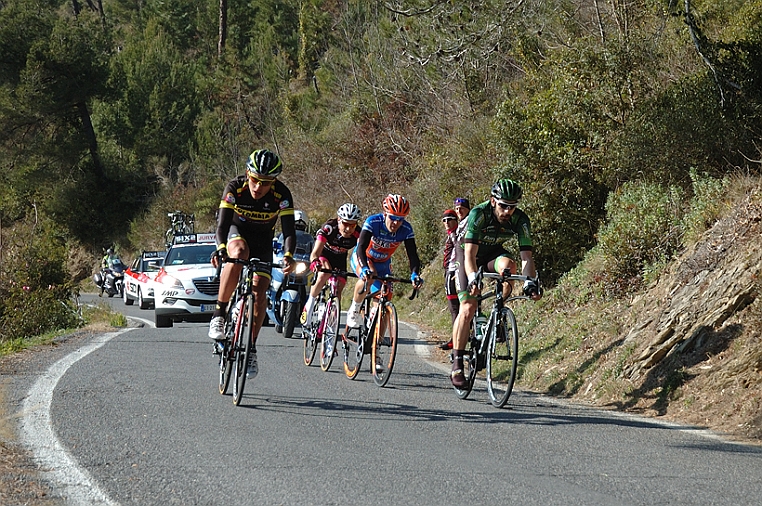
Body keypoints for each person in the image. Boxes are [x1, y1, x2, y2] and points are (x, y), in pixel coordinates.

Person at [208, 148, 297, 380]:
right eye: (255, 180)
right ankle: (219, 313)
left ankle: (251, 348)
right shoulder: (235, 187)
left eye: (266, 183)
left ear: (274, 181)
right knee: (239, 252)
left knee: (260, 292)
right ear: (247, 173)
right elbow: (222, 225)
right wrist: (220, 248)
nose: (259, 187)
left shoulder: (282, 194)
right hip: (237, 233)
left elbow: (289, 230)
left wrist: (288, 255)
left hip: (264, 242)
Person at [449, 179, 542, 388]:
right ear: (493, 201)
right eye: (503, 206)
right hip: (467, 254)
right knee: (468, 307)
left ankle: (497, 313)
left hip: (492, 254)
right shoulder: (479, 214)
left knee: (510, 267)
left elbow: (526, 256)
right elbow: (470, 255)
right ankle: (457, 363)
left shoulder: (521, 220)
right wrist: (473, 278)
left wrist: (530, 283)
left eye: (512, 206)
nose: (507, 211)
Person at [346, 194, 424, 328]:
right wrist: (364, 267)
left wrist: (415, 274)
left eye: (400, 219)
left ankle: (376, 344)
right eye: (393, 218)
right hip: (365, 257)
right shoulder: (373, 222)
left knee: (385, 300)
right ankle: (354, 309)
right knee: (368, 277)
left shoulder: (406, 229)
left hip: (383, 263)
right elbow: (361, 248)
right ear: (385, 214)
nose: (396, 223)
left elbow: (412, 254)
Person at [300, 203, 362, 329]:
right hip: (324, 254)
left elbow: (361, 252)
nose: (349, 229)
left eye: (352, 225)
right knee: (325, 272)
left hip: (340, 259)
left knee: (339, 287)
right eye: (345, 224)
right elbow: (315, 252)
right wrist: (315, 261)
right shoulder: (329, 228)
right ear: (339, 220)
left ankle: (331, 321)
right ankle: (309, 305)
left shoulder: (358, 233)